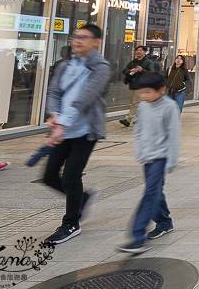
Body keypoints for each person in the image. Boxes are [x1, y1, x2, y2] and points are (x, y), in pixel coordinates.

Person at [43, 24, 111, 244]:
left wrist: (61, 123)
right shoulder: (65, 65)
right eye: (76, 37)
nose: (78, 40)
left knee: (72, 176)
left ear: (96, 42)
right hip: (63, 127)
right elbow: (54, 91)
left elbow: (84, 99)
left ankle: (71, 223)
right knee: (50, 176)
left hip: (84, 130)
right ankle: (82, 198)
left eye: (84, 37)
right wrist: (54, 114)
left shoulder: (101, 67)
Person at [118, 71, 181, 254]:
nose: (144, 96)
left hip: (160, 158)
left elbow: (174, 136)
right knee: (155, 193)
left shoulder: (169, 107)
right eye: (141, 92)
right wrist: (139, 151)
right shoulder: (144, 106)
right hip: (146, 157)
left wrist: (171, 161)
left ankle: (137, 237)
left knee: (150, 194)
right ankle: (165, 222)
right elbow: (138, 129)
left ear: (161, 90)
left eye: (148, 92)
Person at [120, 45, 157, 128]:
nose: (138, 52)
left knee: (135, 103)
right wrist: (130, 70)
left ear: (145, 52)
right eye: (137, 50)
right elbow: (124, 70)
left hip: (142, 86)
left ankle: (127, 120)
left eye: (140, 50)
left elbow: (152, 74)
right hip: (132, 85)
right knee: (137, 104)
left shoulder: (148, 63)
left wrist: (142, 70)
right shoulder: (133, 62)